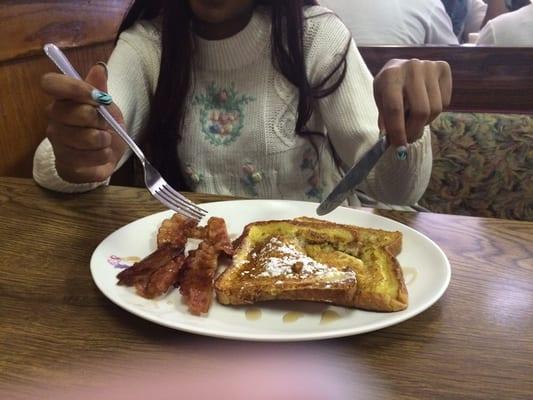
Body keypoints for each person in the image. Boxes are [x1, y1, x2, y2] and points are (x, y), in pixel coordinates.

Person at [34, 0, 452, 208]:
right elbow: (57, 161)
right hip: (201, 286)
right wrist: (85, 146)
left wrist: (405, 127)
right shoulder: (147, 44)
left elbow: (394, 191)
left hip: (324, 265)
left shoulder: (317, 36)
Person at [320, 0, 458, 45]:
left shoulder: (306, 6)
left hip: (318, 110)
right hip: (403, 109)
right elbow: (457, 66)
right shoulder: (428, 4)